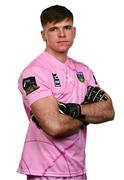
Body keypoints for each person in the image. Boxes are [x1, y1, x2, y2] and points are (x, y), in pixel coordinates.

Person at [17, 5, 115, 180]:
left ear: (74, 31)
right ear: (43, 35)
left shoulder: (83, 70)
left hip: (78, 169)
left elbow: (108, 111)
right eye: (54, 29)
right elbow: (54, 126)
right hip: (45, 170)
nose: (62, 34)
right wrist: (87, 114)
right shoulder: (34, 73)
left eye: (67, 27)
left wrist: (74, 110)